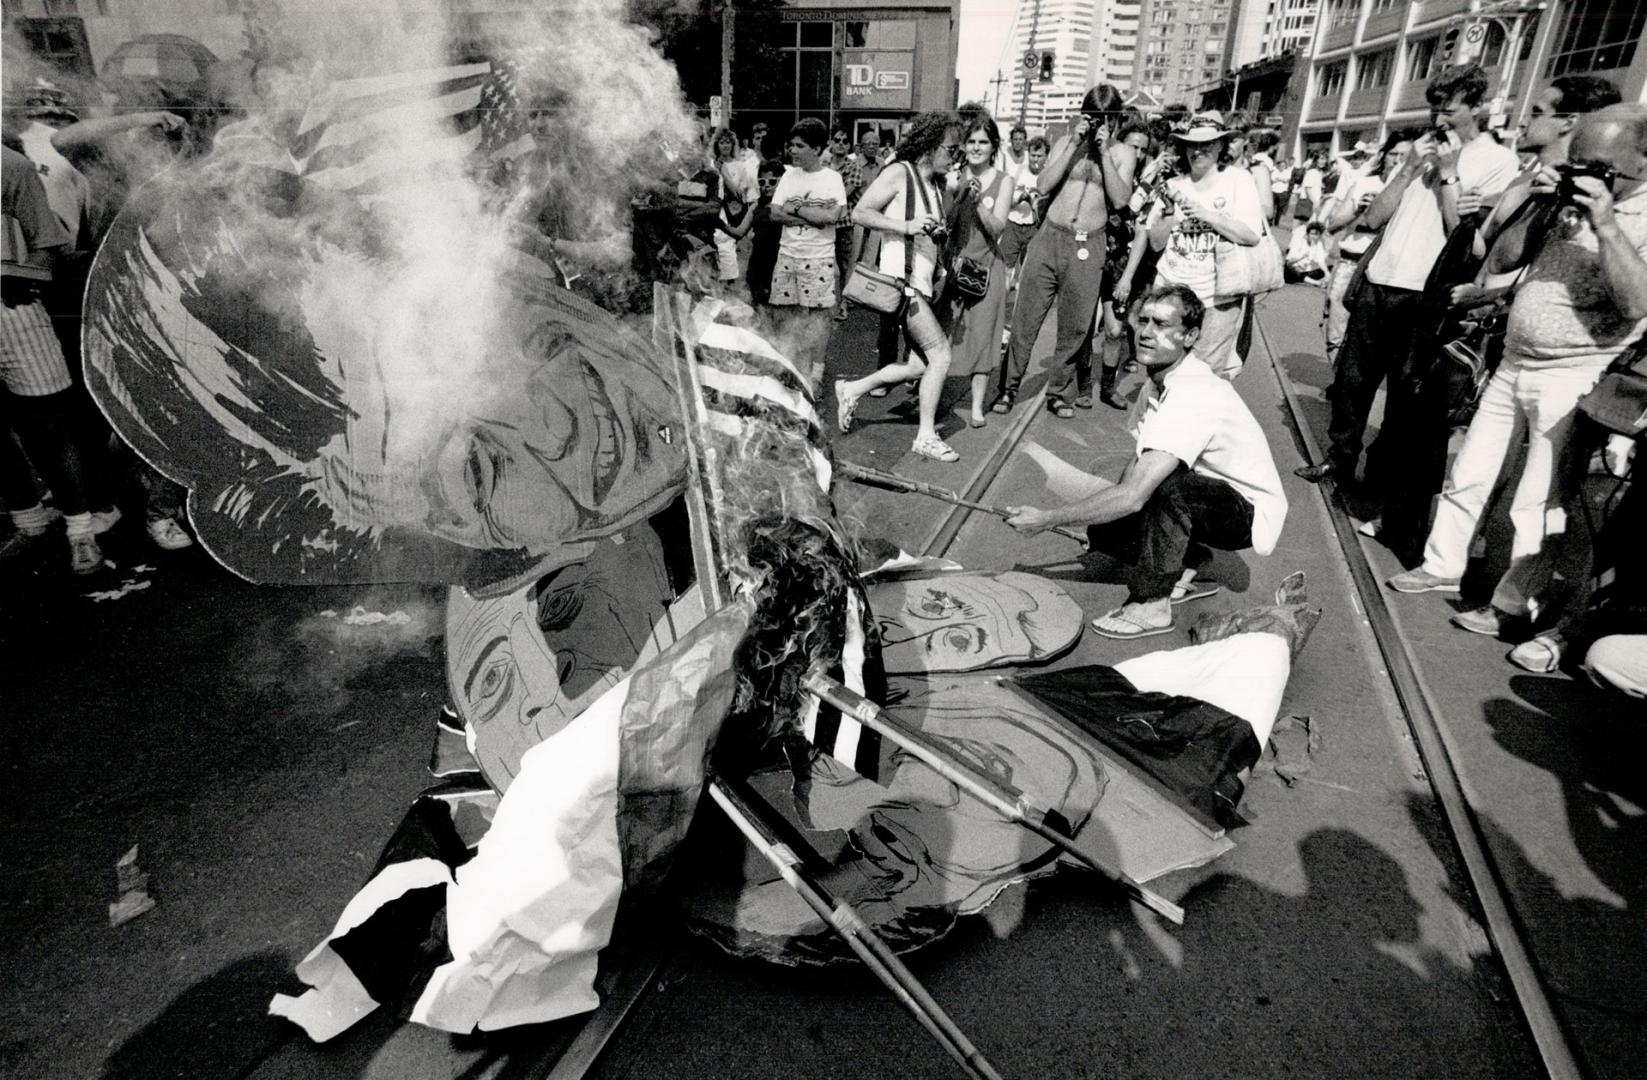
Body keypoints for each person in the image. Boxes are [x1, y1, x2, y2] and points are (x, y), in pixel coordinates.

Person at [1386, 104, 1647, 639]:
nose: (1582, 176)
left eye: (1597, 166)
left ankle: (1512, 603)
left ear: (1640, 162)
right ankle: (1441, 565)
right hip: (1515, 361)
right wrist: (1538, 203)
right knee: (1470, 473)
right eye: (1576, 164)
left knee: (1537, 500)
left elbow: (1637, 302)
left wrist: (1605, 224)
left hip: (1577, 372)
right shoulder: (1562, 203)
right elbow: (1502, 261)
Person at [1297, 66, 1519, 546]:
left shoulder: (1498, 160)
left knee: (1403, 396)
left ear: (1477, 106)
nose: (1441, 116)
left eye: (1451, 107)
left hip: (1426, 294)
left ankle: (1377, 477)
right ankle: (1341, 456)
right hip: (1381, 281)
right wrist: (1406, 169)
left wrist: (1448, 173)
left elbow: (1463, 233)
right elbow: (1374, 217)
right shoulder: (1419, 151)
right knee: (1352, 381)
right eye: (1435, 106)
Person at [1005, 284, 1287, 639]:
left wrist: (1047, 519)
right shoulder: (1157, 382)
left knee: (1167, 489)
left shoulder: (1193, 393)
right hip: (1202, 493)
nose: (1147, 333)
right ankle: (1190, 561)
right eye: (1143, 321)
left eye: (1162, 325)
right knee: (1105, 530)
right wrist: (1109, 524)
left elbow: (1137, 493)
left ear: (1190, 336)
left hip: (1243, 513)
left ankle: (1152, 603)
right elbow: (1135, 467)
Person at [1, 145, 121, 573]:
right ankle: (30, 522)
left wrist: (17, 275)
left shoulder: (9, 164)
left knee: (49, 424)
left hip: (10, 309)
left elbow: (48, 248)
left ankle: (80, 532)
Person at [992, 84, 1138, 419]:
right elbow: (1043, 185)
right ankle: (1008, 387)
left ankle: (1058, 392)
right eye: (1092, 118)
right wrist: (1074, 142)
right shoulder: (1065, 143)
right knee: (1026, 319)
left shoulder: (1122, 154)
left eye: (1105, 120)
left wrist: (1102, 153)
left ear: (1114, 121)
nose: (1098, 125)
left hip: (1090, 244)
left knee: (1075, 328)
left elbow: (1120, 199)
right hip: (1050, 238)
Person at [833, 111, 963, 462]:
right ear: (931, 146)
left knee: (920, 365)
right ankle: (925, 436)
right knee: (941, 356)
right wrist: (907, 226)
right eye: (951, 150)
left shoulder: (934, 186)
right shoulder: (898, 173)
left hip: (922, 283)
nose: (955, 158)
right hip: (904, 286)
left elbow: (927, 231)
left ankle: (851, 388)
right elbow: (859, 212)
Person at [1142, 111, 1263, 379]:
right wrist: (1170, 214)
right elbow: (1155, 241)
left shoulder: (1238, 181)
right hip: (1171, 292)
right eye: (1192, 144)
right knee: (1161, 372)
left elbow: (1251, 234)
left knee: (1203, 379)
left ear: (1221, 145)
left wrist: (1205, 214)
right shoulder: (1173, 184)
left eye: (1207, 143)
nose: (1198, 151)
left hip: (1216, 300)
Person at [943, 111, 1012, 428]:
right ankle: (936, 397)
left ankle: (976, 406)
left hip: (986, 269)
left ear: (993, 145)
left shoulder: (1004, 181)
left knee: (983, 338)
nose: (976, 147)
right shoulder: (952, 176)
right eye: (971, 141)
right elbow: (946, 222)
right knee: (948, 335)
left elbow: (997, 228)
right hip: (956, 266)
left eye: (983, 142)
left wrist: (979, 201)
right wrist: (958, 195)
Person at [766, 118, 846, 386]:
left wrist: (797, 210)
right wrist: (814, 217)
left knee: (818, 320)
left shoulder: (832, 179)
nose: (793, 151)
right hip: (787, 256)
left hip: (818, 258)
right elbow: (775, 213)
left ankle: (817, 372)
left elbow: (833, 216)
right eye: (792, 145)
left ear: (817, 148)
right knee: (786, 315)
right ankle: (793, 369)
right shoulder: (789, 175)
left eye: (800, 146)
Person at [1318, 134, 1412, 362]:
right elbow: (1334, 224)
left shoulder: (1414, 191)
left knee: (1369, 336)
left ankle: (1349, 385)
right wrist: (1360, 210)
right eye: (1393, 154)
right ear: (1383, 155)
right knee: (1337, 327)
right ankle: (1338, 378)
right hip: (1351, 263)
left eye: (1404, 156)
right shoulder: (1365, 183)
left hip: (1386, 270)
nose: (1396, 160)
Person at [822, 126, 866, 321]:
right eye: (837, 140)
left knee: (845, 265)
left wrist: (825, 197)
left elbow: (841, 196)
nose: (840, 144)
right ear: (831, 142)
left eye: (844, 141)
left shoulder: (853, 167)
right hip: (823, 223)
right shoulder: (822, 165)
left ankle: (843, 304)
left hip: (844, 224)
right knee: (823, 263)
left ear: (849, 145)